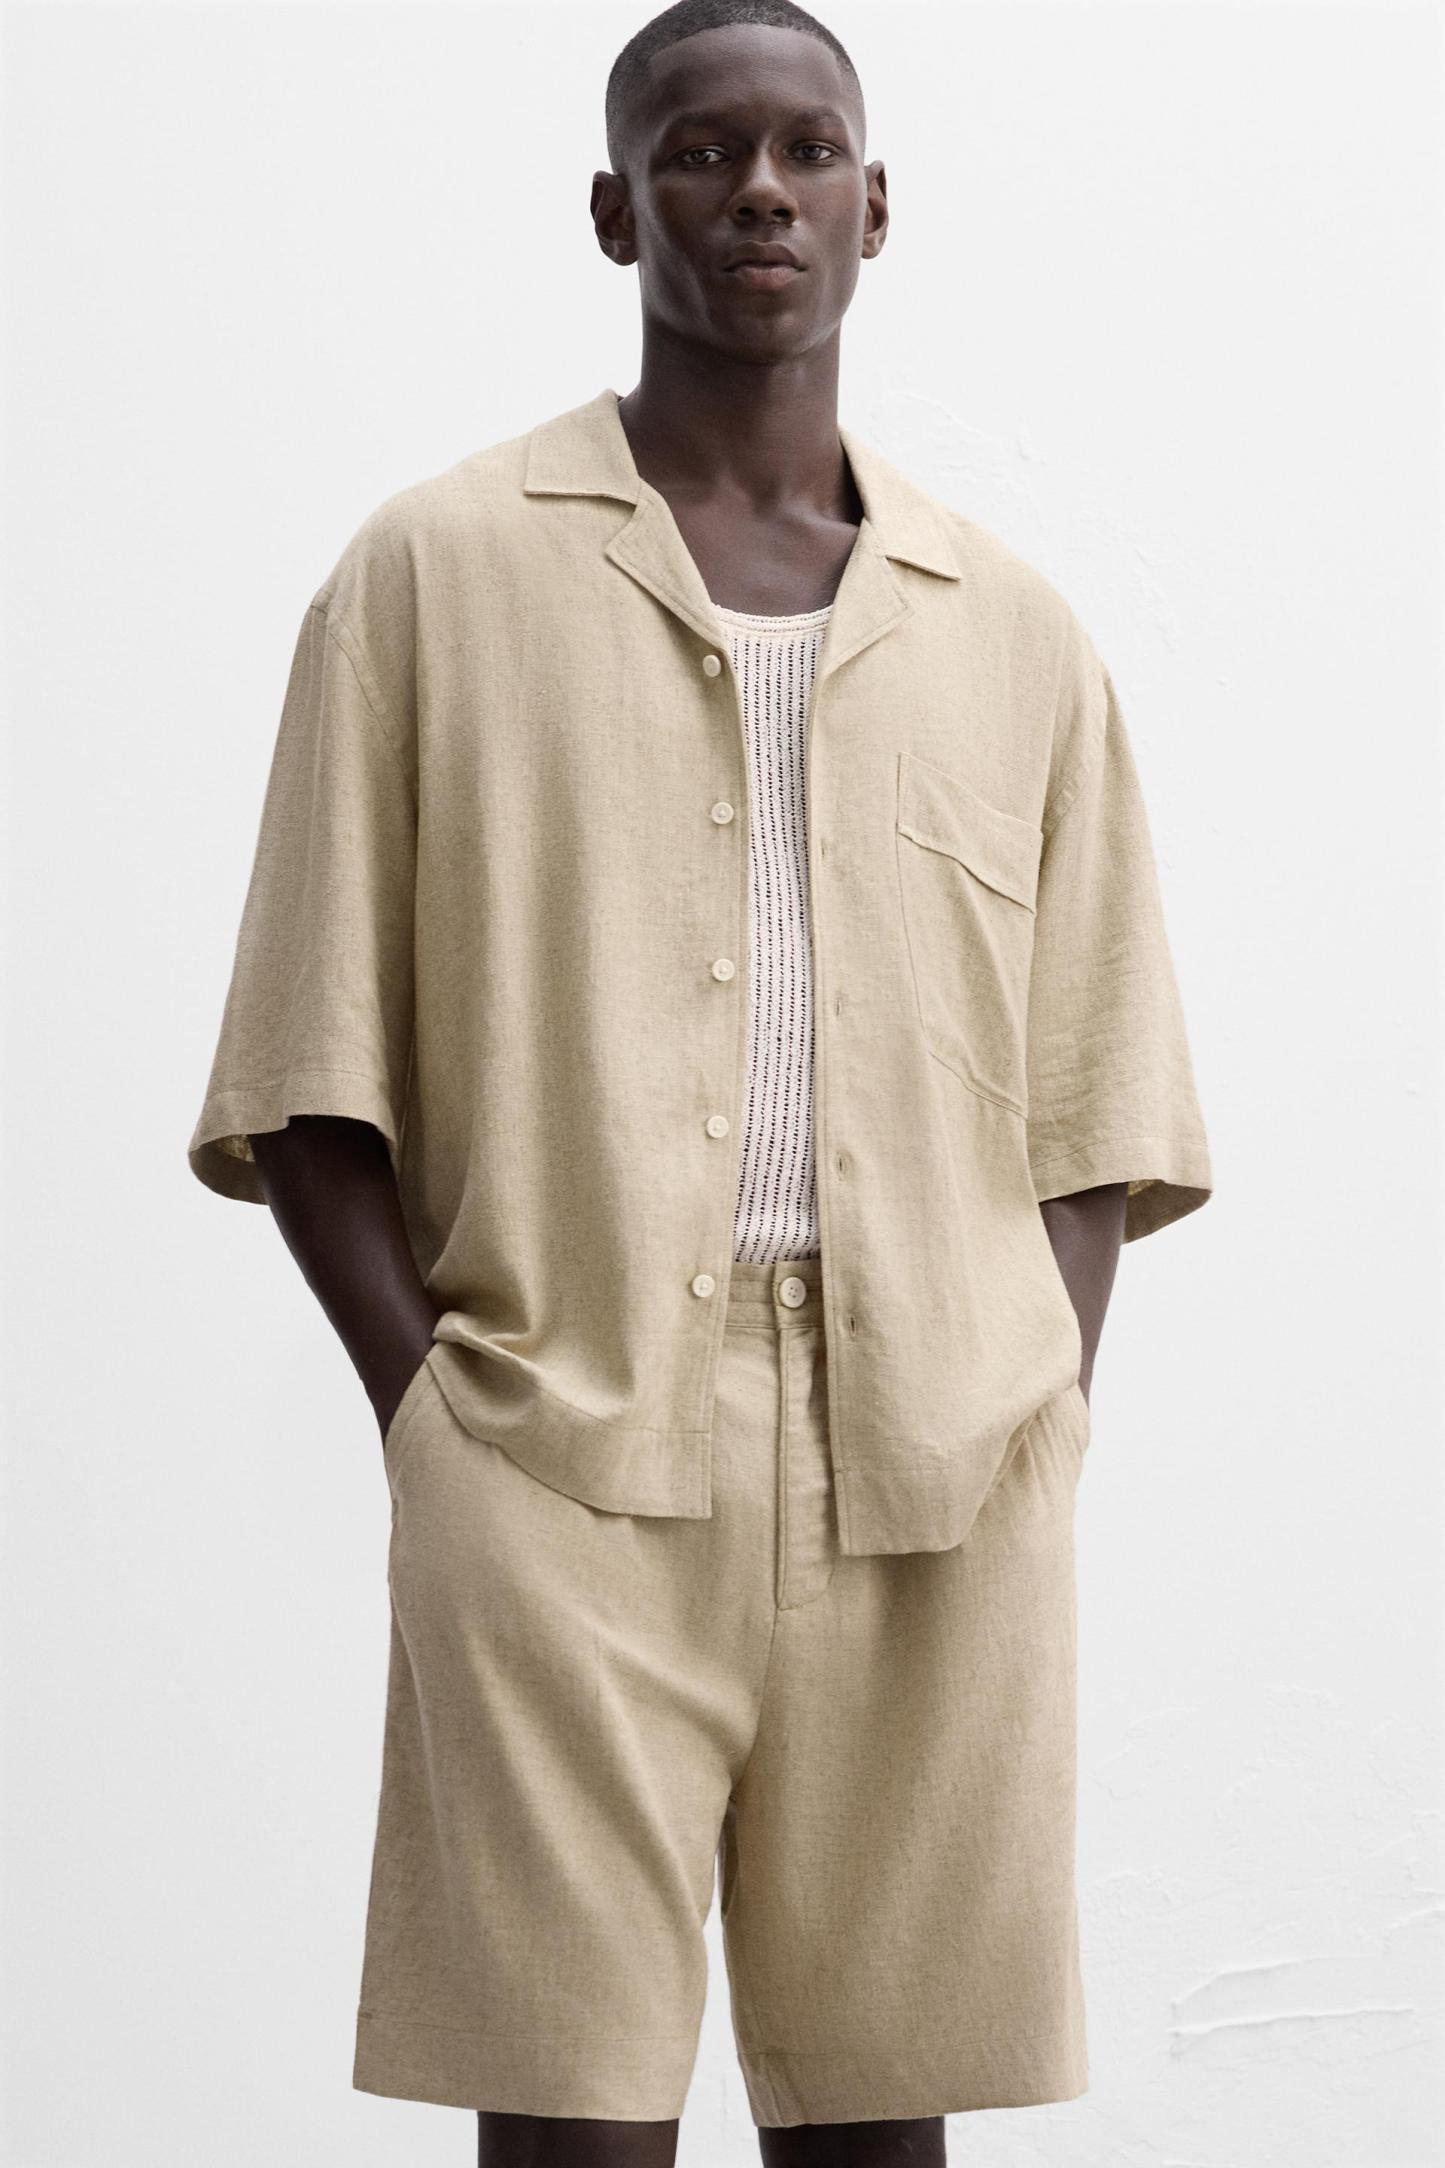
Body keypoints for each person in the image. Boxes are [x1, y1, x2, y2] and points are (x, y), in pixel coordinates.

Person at [186, 1, 1213, 2160]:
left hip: (937, 1478)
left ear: (874, 205)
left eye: (806, 149)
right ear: (611, 205)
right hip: (557, 1454)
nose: (758, 189)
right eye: (699, 149)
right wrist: (438, 1428)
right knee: (571, 2122)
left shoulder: (1011, 632)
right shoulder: (430, 577)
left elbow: (1098, 1107)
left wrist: (1029, 1411)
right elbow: (305, 1074)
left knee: (880, 2127)